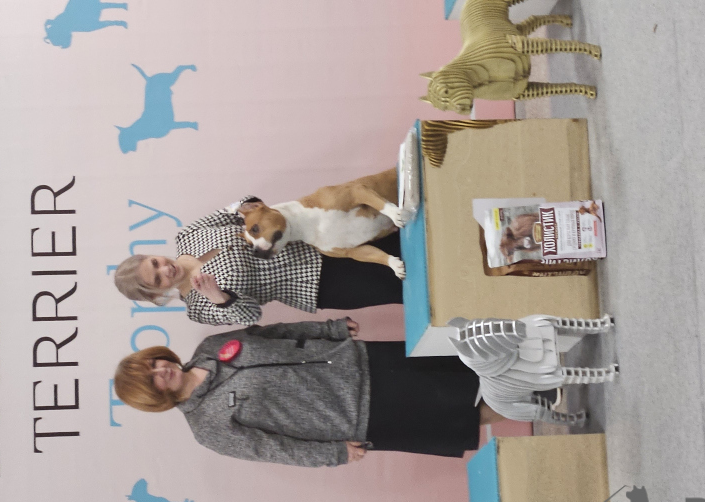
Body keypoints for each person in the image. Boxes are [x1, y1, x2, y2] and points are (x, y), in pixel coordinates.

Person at [113, 318, 505, 467]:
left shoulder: (210, 347)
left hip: (361, 359)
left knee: (464, 361)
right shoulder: (207, 427)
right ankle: (536, 402)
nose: (160, 369)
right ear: (154, 398)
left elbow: (275, 333)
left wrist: (328, 330)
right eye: (152, 379)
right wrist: (333, 454)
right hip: (362, 411)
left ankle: (533, 362)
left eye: (153, 363)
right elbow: (274, 450)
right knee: (465, 411)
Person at [112, 170, 404, 326]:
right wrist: (220, 298)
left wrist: (245, 206)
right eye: (158, 279)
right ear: (158, 294)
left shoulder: (187, 235)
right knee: (405, 283)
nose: (165, 269)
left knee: (404, 229)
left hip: (318, 235)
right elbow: (251, 316)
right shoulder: (198, 308)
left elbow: (235, 209)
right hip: (323, 284)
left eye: (155, 262)